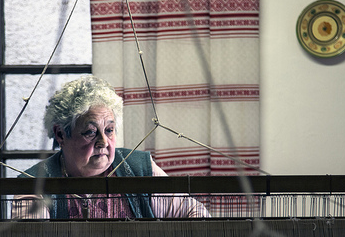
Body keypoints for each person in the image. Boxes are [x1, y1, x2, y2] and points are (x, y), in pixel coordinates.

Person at [11, 76, 209, 219]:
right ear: (61, 134)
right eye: (90, 132)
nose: (103, 142)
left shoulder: (140, 168)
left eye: (109, 130)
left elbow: (195, 213)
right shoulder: (34, 185)